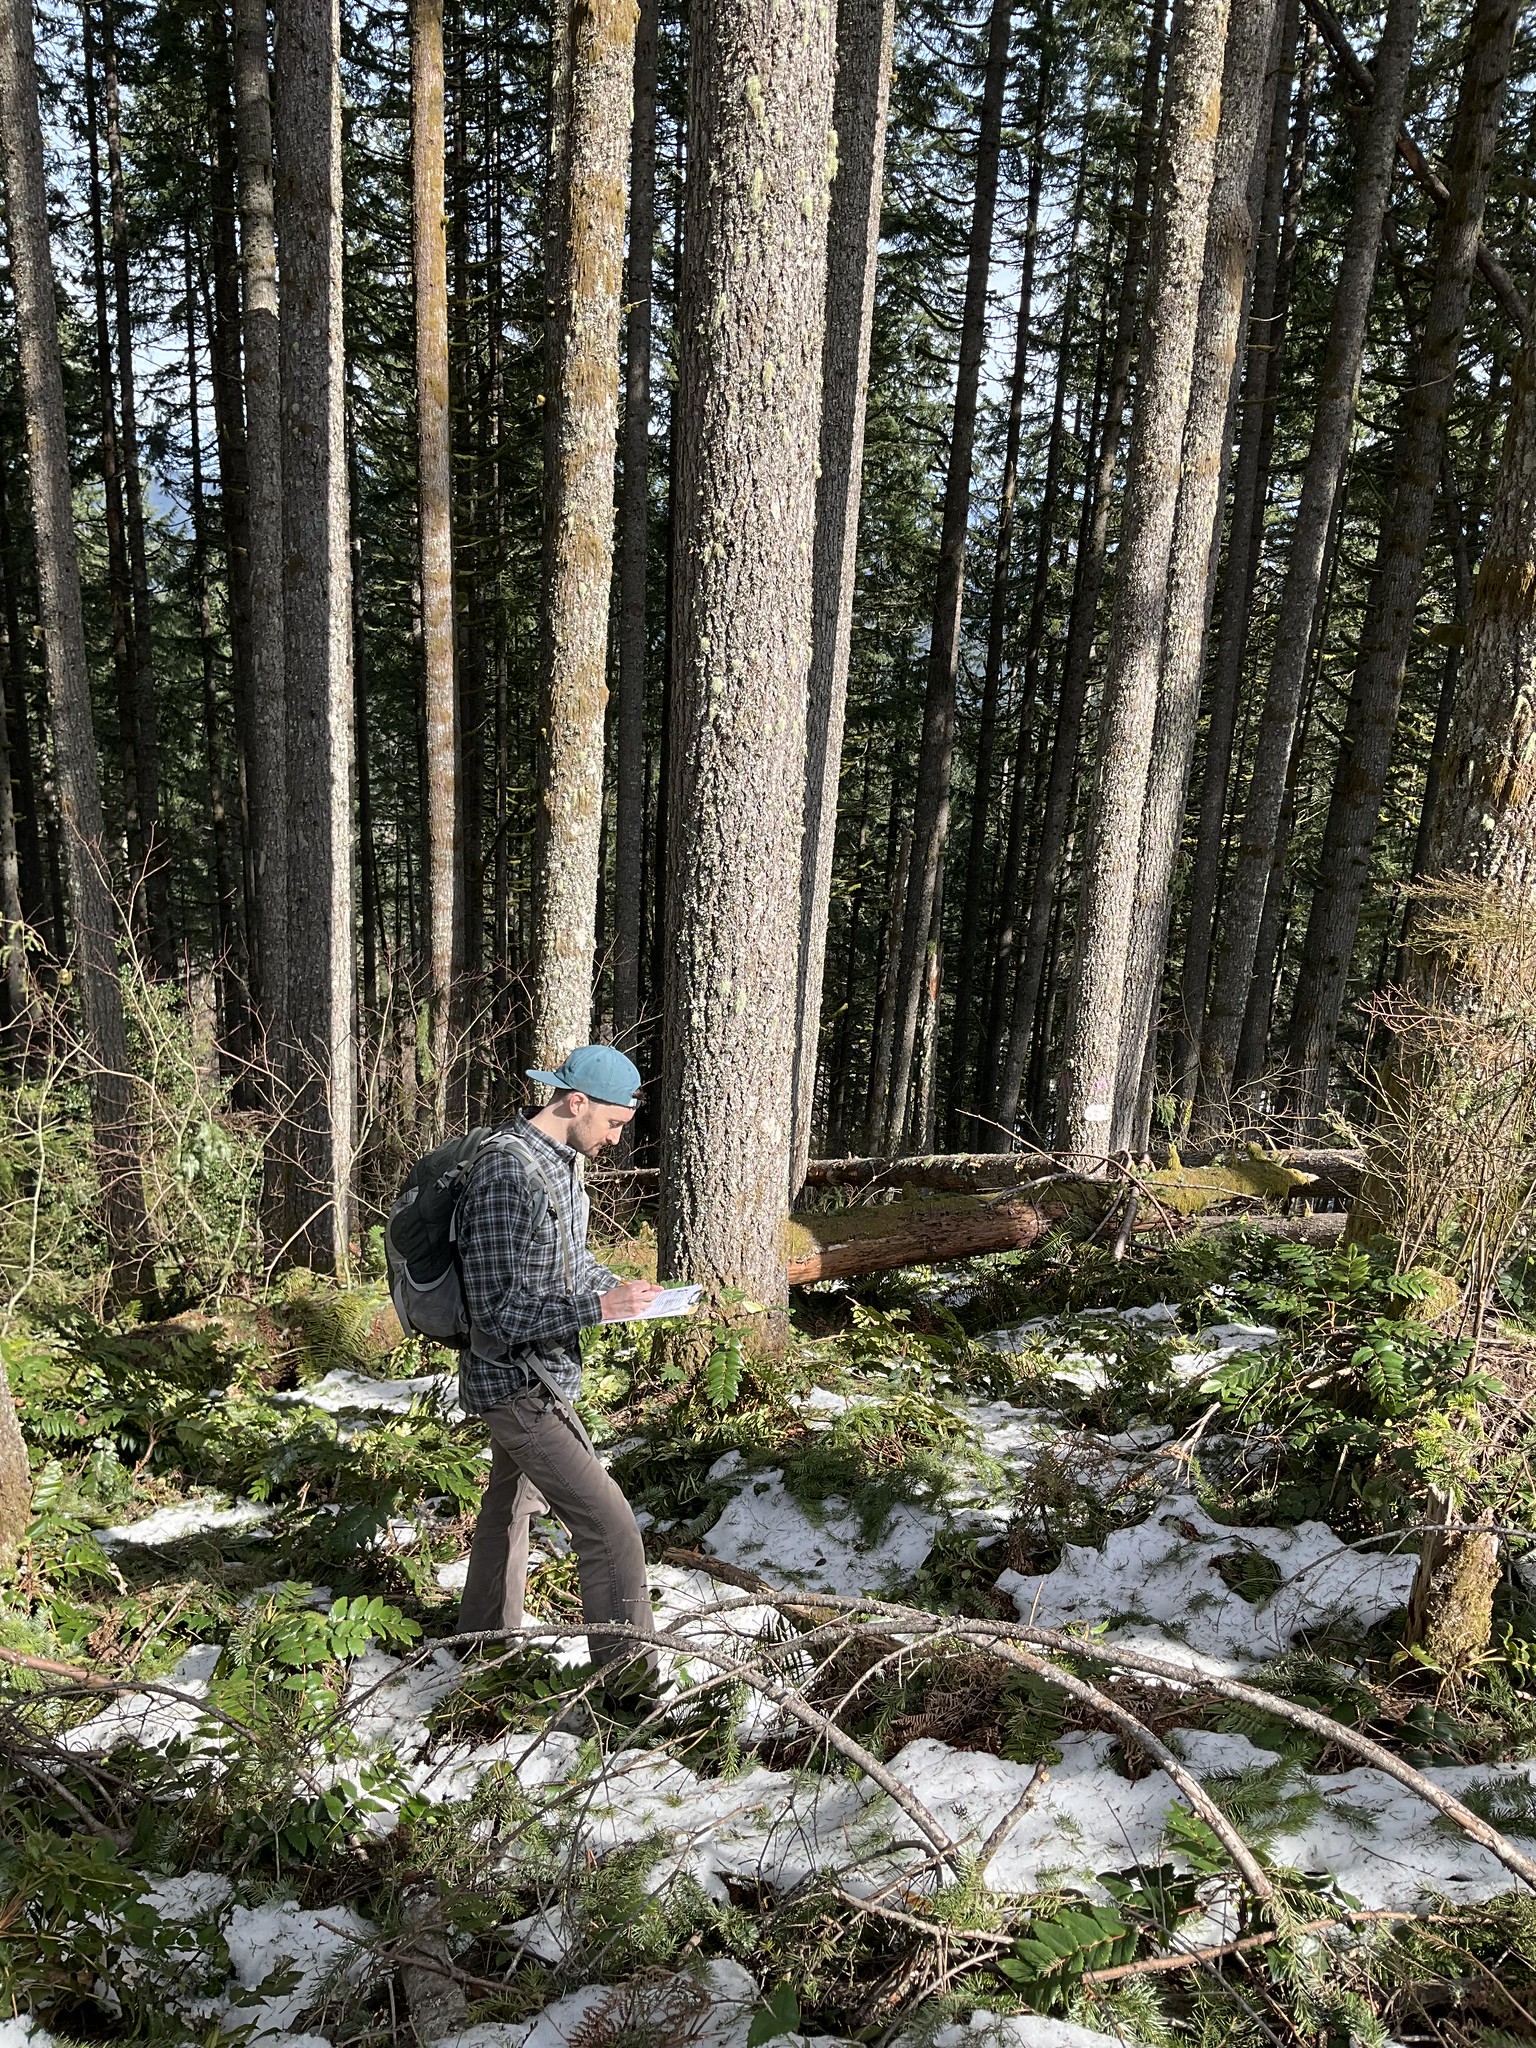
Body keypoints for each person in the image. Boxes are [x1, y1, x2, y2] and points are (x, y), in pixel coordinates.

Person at [454, 1044, 662, 1683]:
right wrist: (598, 1306)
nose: (616, 1139)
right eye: (614, 1124)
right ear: (577, 1102)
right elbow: (495, 1313)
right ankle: (626, 1688)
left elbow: (567, 1270)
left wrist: (624, 1293)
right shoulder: (506, 1175)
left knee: (509, 1508)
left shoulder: (562, 1165)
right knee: (611, 1529)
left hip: (545, 1377)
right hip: (515, 1386)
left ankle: (482, 1646)